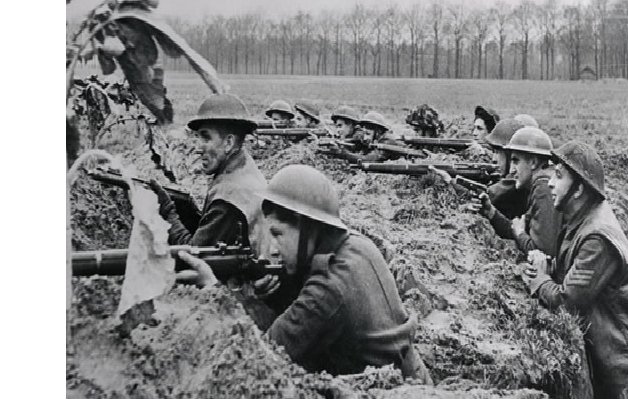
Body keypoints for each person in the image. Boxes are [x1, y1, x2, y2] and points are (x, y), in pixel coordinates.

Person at [176, 164, 433, 383]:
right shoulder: (356, 244)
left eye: (277, 234)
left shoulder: (328, 289)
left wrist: (215, 294)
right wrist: (274, 297)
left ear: (306, 226)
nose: (272, 249)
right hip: (414, 379)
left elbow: (258, 360)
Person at [524, 141, 628, 398]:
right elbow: (573, 271)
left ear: (579, 189)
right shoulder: (581, 220)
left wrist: (540, 280)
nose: (550, 183)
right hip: (615, 370)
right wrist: (547, 266)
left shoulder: (598, 237)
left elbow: (567, 302)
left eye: (559, 176)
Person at [149, 94, 271, 257]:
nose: (198, 148)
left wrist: (167, 211)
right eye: (198, 137)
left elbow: (194, 256)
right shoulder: (244, 168)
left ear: (228, 143)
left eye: (206, 138)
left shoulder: (229, 196)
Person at [475, 127, 561, 257]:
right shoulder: (540, 186)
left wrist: (520, 234)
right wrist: (491, 212)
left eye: (516, 161)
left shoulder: (543, 190)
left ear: (533, 162)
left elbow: (541, 253)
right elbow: (516, 228)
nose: (512, 170)